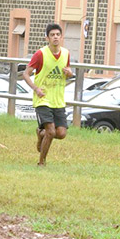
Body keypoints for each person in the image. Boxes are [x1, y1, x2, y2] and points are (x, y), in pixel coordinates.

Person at [22, 23, 73, 167]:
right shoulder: (40, 54)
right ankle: (41, 162)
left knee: (61, 133)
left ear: (61, 37)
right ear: (47, 38)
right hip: (43, 99)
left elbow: (68, 72)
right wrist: (36, 88)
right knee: (50, 130)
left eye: (57, 34)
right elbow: (25, 74)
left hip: (58, 100)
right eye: (52, 35)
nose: (55, 37)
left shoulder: (66, 53)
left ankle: (41, 134)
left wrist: (70, 74)